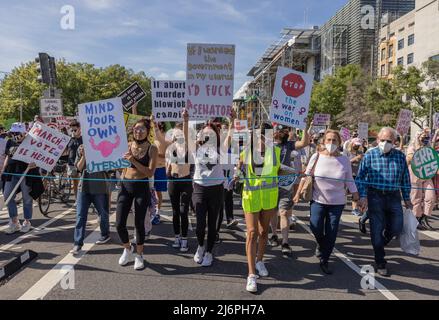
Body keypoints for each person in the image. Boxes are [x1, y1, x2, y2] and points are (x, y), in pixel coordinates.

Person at [294, 130, 358, 275]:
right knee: (315, 225)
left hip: (337, 203)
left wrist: (356, 195)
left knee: (332, 230)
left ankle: (325, 258)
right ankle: (322, 244)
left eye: (334, 140)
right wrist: (297, 194)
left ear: (339, 143)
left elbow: (349, 180)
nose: (331, 143)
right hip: (318, 200)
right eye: (328, 140)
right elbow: (306, 176)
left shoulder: (344, 160)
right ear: (323, 142)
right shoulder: (316, 157)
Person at [357, 127, 412, 276]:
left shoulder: (400, 156)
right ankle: (380, 260)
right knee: (376, 229)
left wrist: (407, 198)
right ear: (377, 140)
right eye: (382, 140)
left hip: (394, 196)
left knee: (397, 227)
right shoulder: (369, 155)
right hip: (375, 196)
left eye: (389, 141)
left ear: (394, 142)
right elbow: (361, 177)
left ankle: (381, 242)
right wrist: (362, 196)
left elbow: (405, 179)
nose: (385, 143)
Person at [183, 109, 235, 267]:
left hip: (216, 190)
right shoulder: (196, 149)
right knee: (200, 226)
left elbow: (231, 136)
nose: (207, 136)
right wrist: (185, 120)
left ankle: (209, 252)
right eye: (205, 134)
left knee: (212, 224)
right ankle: (200, 246)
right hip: (199, 189)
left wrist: (233, 120)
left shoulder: (221, 149)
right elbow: (186, 137)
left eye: (211, 134)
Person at [236, 122, 281, 293]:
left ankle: (260, 260)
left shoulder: (276, 153)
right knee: (252, 232)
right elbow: (238, 171)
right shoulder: (246, 152)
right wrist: (236, 173)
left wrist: (298, 173)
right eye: (261, 135)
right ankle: (251, 275)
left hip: (269, 199)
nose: (263, 138)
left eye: (267, 135)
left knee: (264, 232)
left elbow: (279, 172)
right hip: (251, 198)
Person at [116, 119, 158, 271]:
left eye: (142, 129)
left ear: (147, 131)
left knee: (139, 224)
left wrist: (132, 160)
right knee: (119, 223)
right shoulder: (126, 145)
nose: (138, 132)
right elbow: (120, 166)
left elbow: (150, 172)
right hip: (125, 186)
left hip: (141, 187)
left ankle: (139, 255)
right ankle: (128, 249)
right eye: (136, 129)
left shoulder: (152, 148)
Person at [269, 123, 311, 255]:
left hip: (285, 182)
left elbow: (304, 142)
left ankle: (285, 242)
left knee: (283, 212)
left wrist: (304, 127)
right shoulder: (268, 145)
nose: (281, 133)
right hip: (270, 182)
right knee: (273, 211)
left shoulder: (289, 145)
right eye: (278, 131)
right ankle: (274, 234)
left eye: (283, 131)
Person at [1, 123, 42, 234]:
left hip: (27, 172)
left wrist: (36, 164)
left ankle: (27, 221)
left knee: (26, 198)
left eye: (17, 133)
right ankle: (14, 222)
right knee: (7, 195)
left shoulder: (31, 142)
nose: (15, 135)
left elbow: (41, 157)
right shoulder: (10, 142)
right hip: (11, 172)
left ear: (24, 133)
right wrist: (3, 170)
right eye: (13, 133)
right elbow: (7, 156)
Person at [70, 144, 111, 255]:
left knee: (103, 213)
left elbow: (110, 168)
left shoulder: (105, 146)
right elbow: (78, 168)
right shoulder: (82, 147)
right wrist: (84, 156)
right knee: (80, 215)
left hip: (100, 187)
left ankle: (105, 233)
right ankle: (77, 243)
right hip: (84, 187)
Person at [166, 123, 193, 252]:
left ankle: (184, 239)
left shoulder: (187, 146)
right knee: (175, 211)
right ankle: (177, 237)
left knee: (183, 211)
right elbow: (168, 165)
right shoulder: (170, 148)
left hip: (186, 181)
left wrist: (185, 119)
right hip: (173, 181)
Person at [406, 129, 435, 230]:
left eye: (427, 137)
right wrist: (419, 151)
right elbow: (409, 159)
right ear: (418, 137)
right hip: (415, 174)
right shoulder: (412, 146)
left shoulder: (428, 147)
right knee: (416, 199)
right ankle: (415, 220)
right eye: (424, 137)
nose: (425, 139)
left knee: (431, 197)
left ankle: (425, 217)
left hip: (427, 174)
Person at [216, 123, 239, 243]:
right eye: (222, 130)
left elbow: (236, 162)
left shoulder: (232, 147)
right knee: (218, 206)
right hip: (217, 180)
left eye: (226, 130)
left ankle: (229, 218)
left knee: (228, 198)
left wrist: (236, 172)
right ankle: (215, 230)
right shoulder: (216, 146)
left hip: (228, 178)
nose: (224, 132)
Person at [153, 121, 172, 218]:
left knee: (158, 191)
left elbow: (170, 155)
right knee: (148, 191)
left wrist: (159, 155)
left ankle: (158, 211)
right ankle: (151, 209)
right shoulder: (151, 135)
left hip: (160, 168)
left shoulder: (167, 138)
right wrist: (134, 108)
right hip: (150, 168)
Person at [343, 137, 364, 216]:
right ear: (352, 144)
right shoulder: (346, 152)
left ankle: (355, 209)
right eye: (356, 144)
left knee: (356, 192)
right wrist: (355, 159)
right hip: (347, 175)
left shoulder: (360, 152)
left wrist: (361, 159)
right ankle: (340, 204)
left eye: (359, 145)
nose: (357, 146)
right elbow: (344, 162)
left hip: (357, 175)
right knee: (344, 191)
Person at [67, 120, 83, 204]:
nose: (73, 132)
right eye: (72, 130)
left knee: (82, 183)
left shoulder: (83, 139)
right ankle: (77, 199)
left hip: (81, 164)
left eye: (75, 130)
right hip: (71, 163)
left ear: (79, 129)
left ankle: (84, 199)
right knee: (75, 183)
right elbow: (65, 150)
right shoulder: (69, 139)